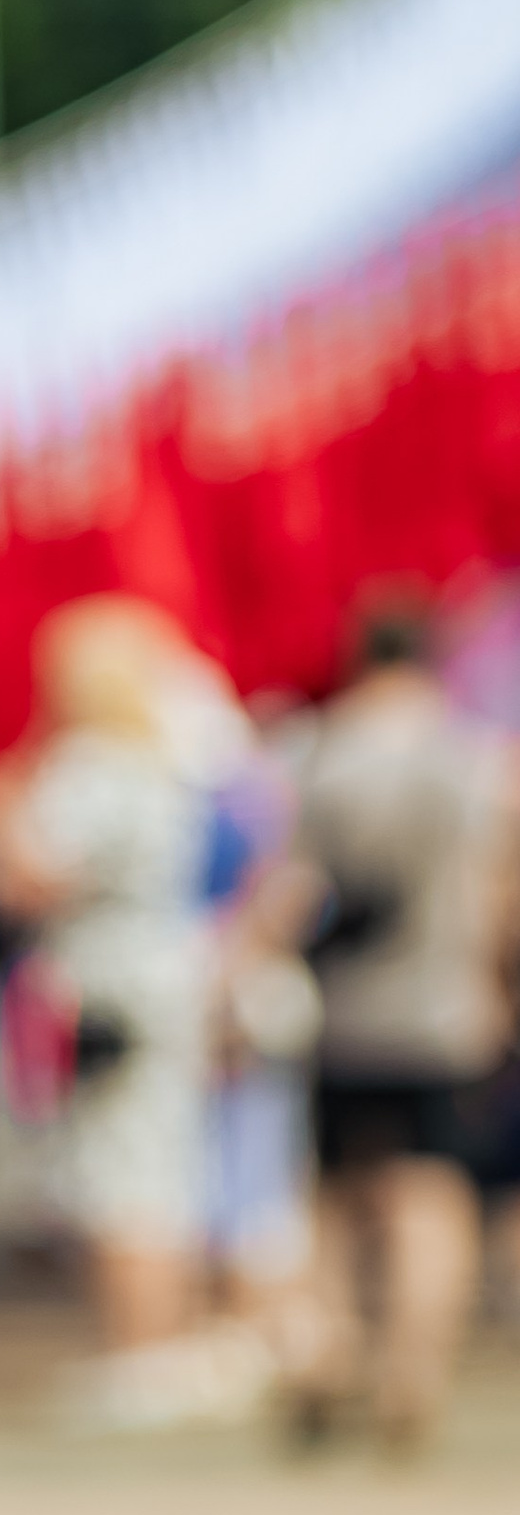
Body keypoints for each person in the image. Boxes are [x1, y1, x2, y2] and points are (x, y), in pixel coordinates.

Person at [286, 595, 519, 1446]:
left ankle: (334, 1349)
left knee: (340, 1198)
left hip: (343, 1012)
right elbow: (500, 891)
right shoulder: (475, 759)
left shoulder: (321, 751)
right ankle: (412, 1375)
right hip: (446, 1011)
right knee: (433, 1194)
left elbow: (293, 889)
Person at [0, 598, 212, 1360]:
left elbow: (36, 882)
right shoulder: (160, 760)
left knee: (119, 1170)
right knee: (156, 1161)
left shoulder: (91, 766)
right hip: (159, 970)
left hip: (104, 984)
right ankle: (165, 1341)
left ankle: (142, 1348)